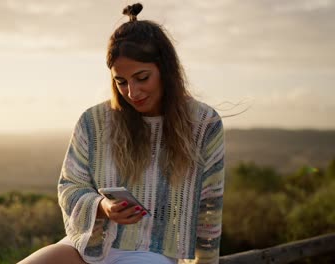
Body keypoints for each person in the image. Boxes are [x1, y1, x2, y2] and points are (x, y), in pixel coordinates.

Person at [19, 3, 224, 264]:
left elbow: (209, 209)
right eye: (121, 81)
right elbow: (69, 188)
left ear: (166, 70)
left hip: (153, 253)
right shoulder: (93, 122)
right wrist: (102, 208)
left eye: (142, 77)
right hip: (88, 245)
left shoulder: (203, 123)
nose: (132, 92)